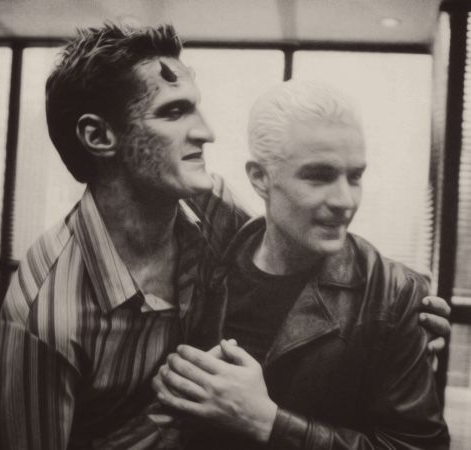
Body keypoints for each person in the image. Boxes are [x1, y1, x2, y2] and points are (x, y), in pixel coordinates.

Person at [0, 23, 449, 449]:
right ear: (98, 135)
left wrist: (400, 313)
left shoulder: (208, 208)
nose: (207, 132)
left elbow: (295, 232)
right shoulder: (43, 315)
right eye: (174, 111)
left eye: (196, 106)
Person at [153, 80, 450, 449]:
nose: (345, 201)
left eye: (355, 176)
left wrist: (269, 423)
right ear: (260, 178)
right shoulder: (208, 263)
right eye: (319, 176)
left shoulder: (393, 295)